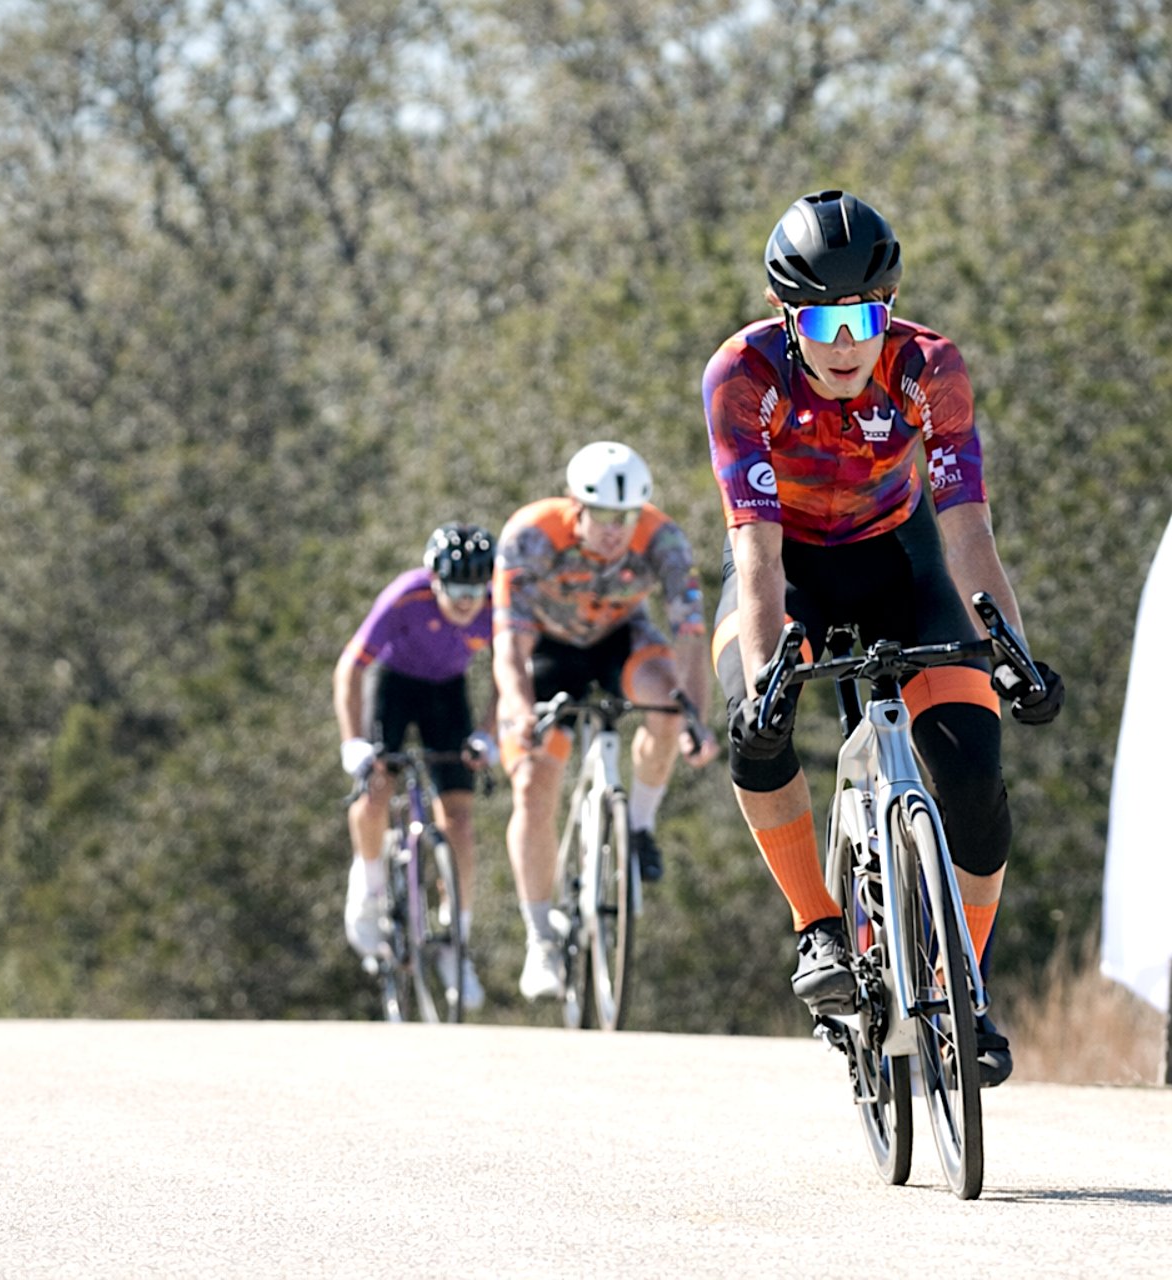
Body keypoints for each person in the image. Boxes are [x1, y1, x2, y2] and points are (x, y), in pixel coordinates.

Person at [702, 189, 1062, 1085]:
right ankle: (818, 927)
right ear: (790, 316)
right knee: (758, 727)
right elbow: (753, 553)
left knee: (976, 780)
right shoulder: (743, 374)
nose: (845, 343)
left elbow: (968, 531)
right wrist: (760, 684)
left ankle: (961, 987)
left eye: (864, 315)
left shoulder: (930, 366)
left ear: (888, 308)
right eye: (822, 320)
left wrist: (1010, 653)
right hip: (786, 570)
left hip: (904, 565)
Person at [491, 442, 717, 1003]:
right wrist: (519, 709)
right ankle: (541, 937)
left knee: (665, 711)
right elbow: (509, 647)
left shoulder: (663, 539)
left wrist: (696, 716)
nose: (617, 532)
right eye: (605, 518)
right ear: (575, 506)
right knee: (533, 782)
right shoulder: (530, 535)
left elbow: (690, 630)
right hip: (547, 648)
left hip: (621, 638)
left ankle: (637, 825)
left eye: (628, 518)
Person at [336, 522, 497, 1011]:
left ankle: (456, 941)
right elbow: (351, 666)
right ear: (434, 579)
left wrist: (487, 734)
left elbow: (507, 672)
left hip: (448, 695)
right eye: (456, 587)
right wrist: (354, 742)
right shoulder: (405, 597)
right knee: (377, 788)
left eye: (477, 586)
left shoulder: (494, 607)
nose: (467, 599)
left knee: (461, 822)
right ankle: (367, 887)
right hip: (396, 685)